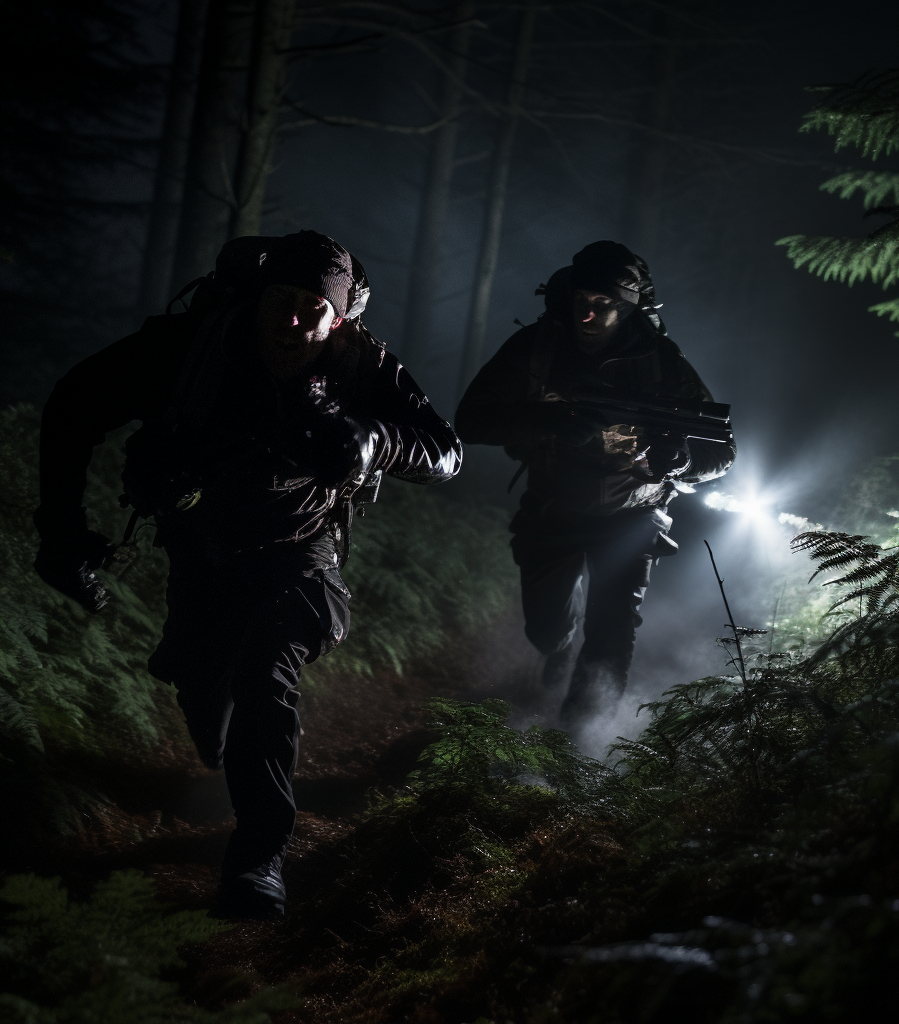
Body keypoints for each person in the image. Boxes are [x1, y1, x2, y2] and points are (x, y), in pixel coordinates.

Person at [33, 230, 462, 918]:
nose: (293, 320)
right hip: (201, 552)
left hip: (300, 556)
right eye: (281, 300)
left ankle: (259, 856)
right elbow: (73, 405)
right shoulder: (191, 347)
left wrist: (377, 442)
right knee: (206, 697)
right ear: (257, 297)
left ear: (340, 320)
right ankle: (219, 724)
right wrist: (60, 530)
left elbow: (446, 452)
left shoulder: (361, 365)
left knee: (266, 675)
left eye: (314, 308)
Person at [455, 240, 734, 730]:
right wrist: (547, 423)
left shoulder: (662, 363)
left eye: (603, 306)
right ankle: (557, 653)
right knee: (546, 628)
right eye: (581, 300)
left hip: (631, 518)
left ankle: (579, 748)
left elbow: (721, 451)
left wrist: (680, 460)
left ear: (628, 309)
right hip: (552, 511)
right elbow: (470, 421)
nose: (587, 315)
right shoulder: (537, 347)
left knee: (611, 635)